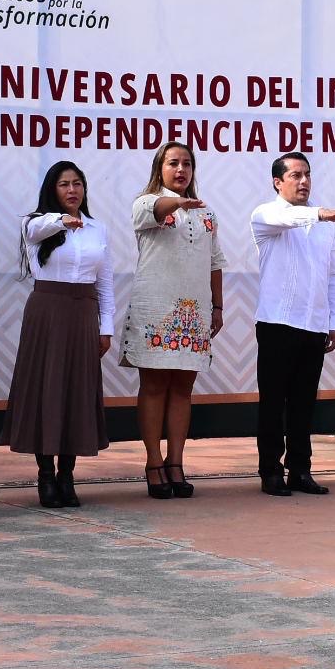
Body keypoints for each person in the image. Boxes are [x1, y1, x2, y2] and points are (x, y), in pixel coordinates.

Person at [1, 161, 114, 509]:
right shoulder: (36, 224)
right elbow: (35, 229)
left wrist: (105, 326)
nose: (72, 190)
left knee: (75, 391)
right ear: (52, 190)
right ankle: (45, 475)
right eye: (64, 184)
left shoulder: (97, 229)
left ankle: (68, 475)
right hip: (47, 312)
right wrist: (61, 220)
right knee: (46, 390)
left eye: (77, 184)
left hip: (83, 313)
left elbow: (105, 282)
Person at [122, 142, 226, 500]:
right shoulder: (147, 203)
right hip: (156, 308)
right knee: (153, 386)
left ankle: (176, 463)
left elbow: (215, 263)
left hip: (194, 311)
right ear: (160, 168)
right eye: (173, 163)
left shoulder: (206, 213)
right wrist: (178, 203)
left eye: (187, 164)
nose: (181, 170)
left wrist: (218, 308)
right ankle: (153, 463)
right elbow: (161, 207)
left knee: (183, 388)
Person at [251, 154, 335, 496]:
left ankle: (301, 469)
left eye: (307, 174)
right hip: (278, 322)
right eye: (295, 175)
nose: (304, 181)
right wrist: (319, 214)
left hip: (314, 324)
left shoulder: (326, 225)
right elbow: (285, 218)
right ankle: (270, 470)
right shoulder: (265, 214)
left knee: (305, 403)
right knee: (274, 402)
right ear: (278, 182)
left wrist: (334, 322)